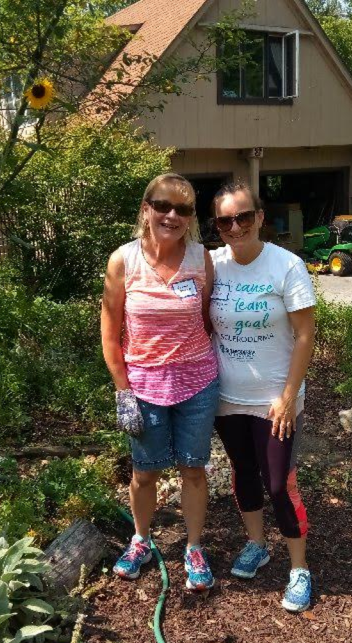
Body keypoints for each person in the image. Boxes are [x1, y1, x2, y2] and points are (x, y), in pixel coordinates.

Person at [101, 173, 220, 592]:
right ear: (146, 208)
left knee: (193, 469)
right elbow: (110, 329)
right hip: (144, 386)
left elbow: (208, 320)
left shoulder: (200, 259)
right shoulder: (124, 261)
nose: (172, 215)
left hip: (198, 383)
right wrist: (122, 389)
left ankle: (192, 547)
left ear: (191, 217)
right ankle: (141, 540)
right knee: (145, 473)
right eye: (163, 205)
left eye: (183, 209)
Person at [209, 182, 317, 612]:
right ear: (216, 226)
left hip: (275, 399)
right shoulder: (212, 264)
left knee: (278, 484)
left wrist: (289, 396)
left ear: (259, 217)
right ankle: (257, 543)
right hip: (226, 396)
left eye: (243, 217)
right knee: (243, 472)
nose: (235, 227)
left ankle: (299, 568)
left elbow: (306, 335)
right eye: (224, 220)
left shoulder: (286, 266)